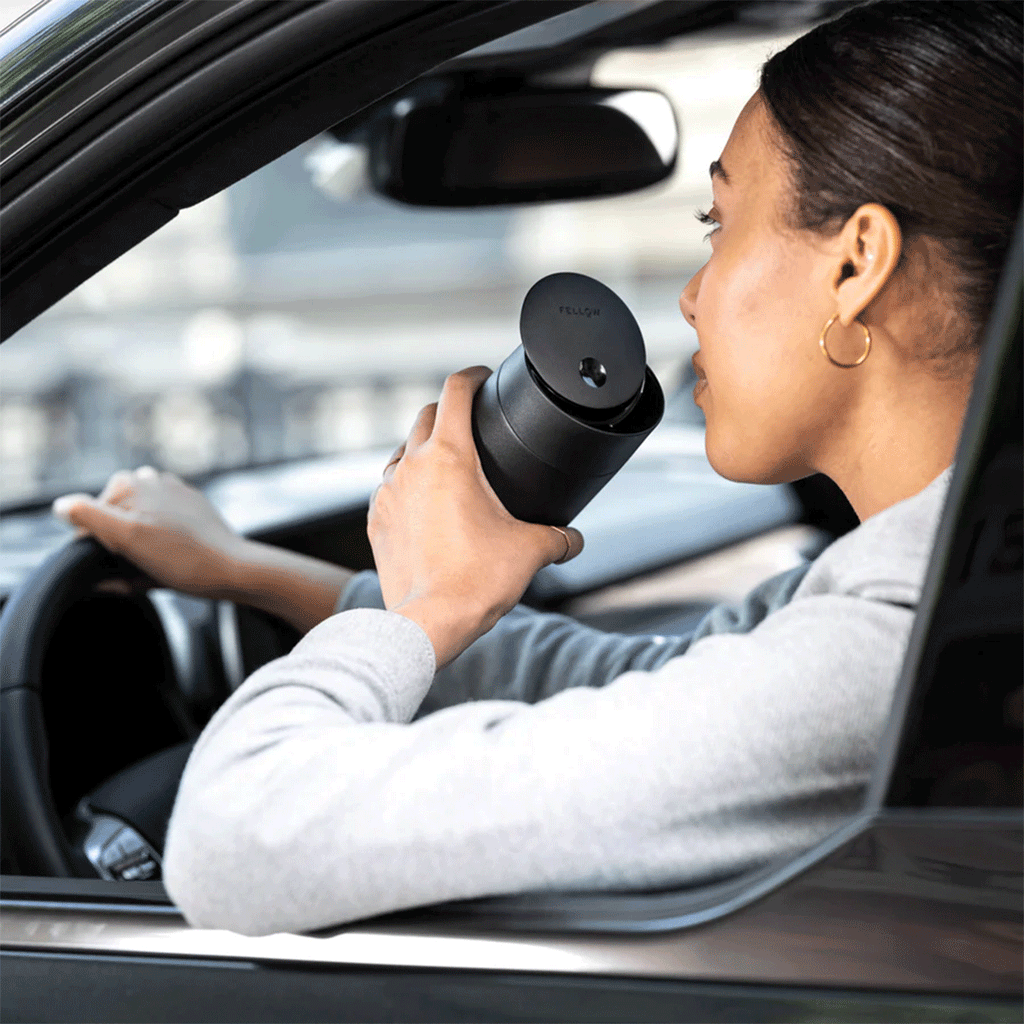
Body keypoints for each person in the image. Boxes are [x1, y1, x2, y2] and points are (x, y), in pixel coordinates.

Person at [51, 0, 1022, 936]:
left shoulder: (880, 660)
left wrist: (418, 612)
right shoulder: (941, 585)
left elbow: (236, 842)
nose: (690, 298)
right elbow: (640, 679)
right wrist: (245, 570)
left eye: (719, 227)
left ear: (856, 265)